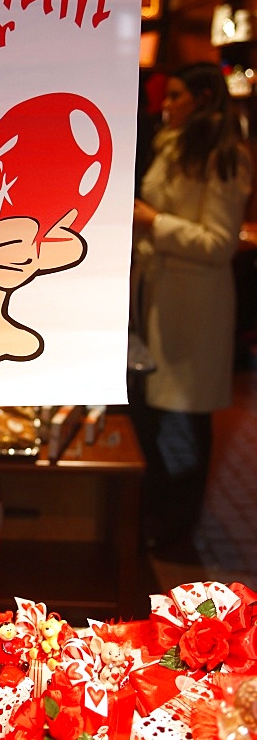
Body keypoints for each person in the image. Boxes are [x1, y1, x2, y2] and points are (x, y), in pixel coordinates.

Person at [131, 62, 253, 549]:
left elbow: (220, 242)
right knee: (158, 414)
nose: (167, 102)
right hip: (162, 297)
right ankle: (159, 521)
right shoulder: (174, 144)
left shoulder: (225, 156)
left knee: (184, 413)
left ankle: (177, 529)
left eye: (177, 94)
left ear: (202, 97)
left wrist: (154, 221)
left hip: (193, 305)